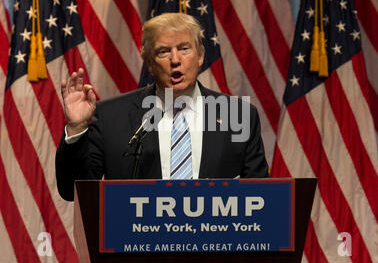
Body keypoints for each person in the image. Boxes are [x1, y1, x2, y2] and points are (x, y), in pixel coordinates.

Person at [56, 13, 269, 201]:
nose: (175, 59)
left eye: (184, 49)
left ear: (200, 56)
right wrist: (76, 129)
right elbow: (72, 191)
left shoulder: (239, 116)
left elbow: (260, 196)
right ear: (149, 62)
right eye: (163, 52)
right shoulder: (111, 116)